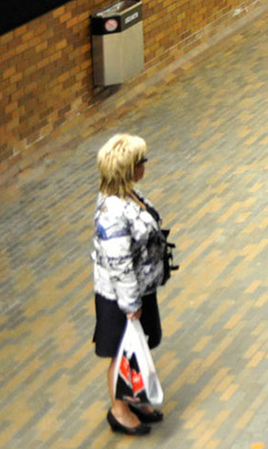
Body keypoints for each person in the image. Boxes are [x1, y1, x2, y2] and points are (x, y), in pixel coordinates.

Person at [91, 133, 169, 435]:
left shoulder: (129, 194)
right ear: (128, 169)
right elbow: (119, 264)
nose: (145, 165)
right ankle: (119, 410)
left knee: (139, 344)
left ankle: (133, 398)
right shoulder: (112, 213)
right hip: (120, 298)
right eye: (141, 161)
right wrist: (131, 304)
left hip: (139, 289)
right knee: (121, 353)